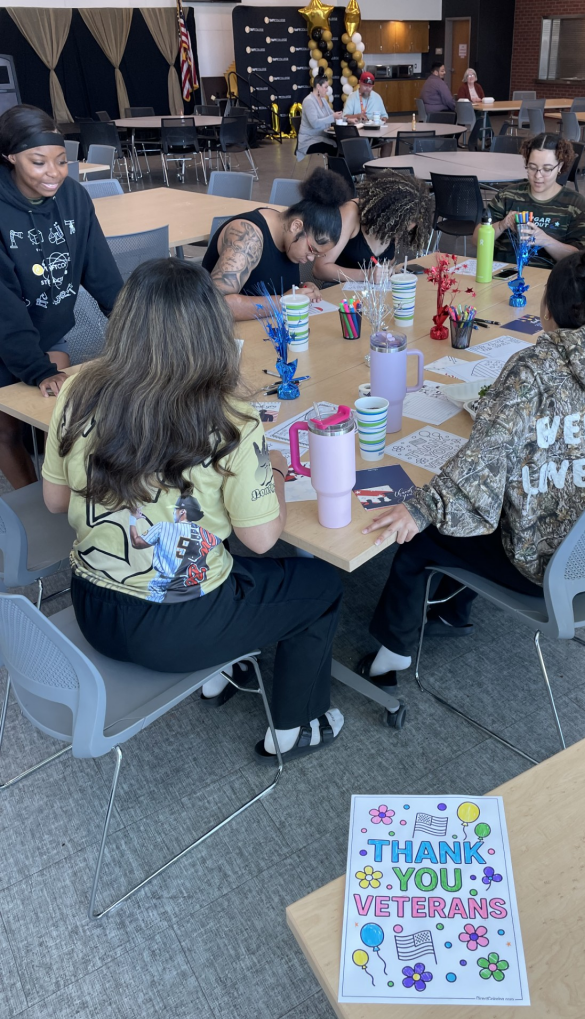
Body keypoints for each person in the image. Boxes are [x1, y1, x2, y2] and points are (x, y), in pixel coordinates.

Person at [41, 258, 345, 762]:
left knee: (219, 557)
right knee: (322, 587)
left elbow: (54, 500)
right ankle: (296, 726)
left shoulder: (77, 387)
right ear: (211, 330)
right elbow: (263, 539)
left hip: (91, 604)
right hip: (177, 628)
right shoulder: (231, 418)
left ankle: (221, 673)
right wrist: (271, 471)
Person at [354, 248, 585, 688]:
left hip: (549, 562)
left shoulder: (534, 370)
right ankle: (452, 609)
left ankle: (392, 658)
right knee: (491, 501)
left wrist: (420, 509)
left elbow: (483, 456)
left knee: (425, 537)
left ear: (548, 309)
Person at [0, 103, 122, 489]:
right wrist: (37, 370)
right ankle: (29, 507)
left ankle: (58, 498)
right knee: (5, 433)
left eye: (61, 161)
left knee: (55, 421)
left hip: (48, 329)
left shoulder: (73, 198)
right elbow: (3, 308)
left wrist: (138, 323)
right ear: (10, 157)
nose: (53, 173)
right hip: (5, 332)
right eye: (38, 162)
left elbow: (101, 273)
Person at [202, 168, 352, 320]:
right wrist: (284, 302)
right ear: (296, 226)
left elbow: (265, 281)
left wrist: (300, 290)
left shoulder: (288, 238)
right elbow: (217, 304)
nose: (312, 259)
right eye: (312, 250)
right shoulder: (248, 236)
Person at [474, 133, 585, 270]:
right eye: (532, 167)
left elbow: (580, 259)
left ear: (560, 167)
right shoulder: (508, 195)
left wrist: (545, 240)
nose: (538, 176)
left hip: (549, 282)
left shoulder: (574, 204)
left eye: (547, 169)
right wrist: (501, 225)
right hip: (502, 276)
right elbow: (476, 240)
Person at [313, 171, 432, 283]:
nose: (397, 234)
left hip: (373, 294)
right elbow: (319, 269)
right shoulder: (350, 213)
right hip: (340, 293)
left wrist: (387, 270)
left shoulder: (401, 220)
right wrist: (367, 275)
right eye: (397, 227)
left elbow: (389, 260)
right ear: (387, 211)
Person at [296, 77, 344, 161]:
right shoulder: (308, 101)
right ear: (318, 86)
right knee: (335, 147)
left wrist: (347, 119)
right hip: (309, 140)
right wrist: (333, 117)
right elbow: (314, 123)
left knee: (342, 143)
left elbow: (332, 114)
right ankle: (333, 172)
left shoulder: (323, 100)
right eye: (325, 87)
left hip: (322, 136)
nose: (327, 90)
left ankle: (339, 172)